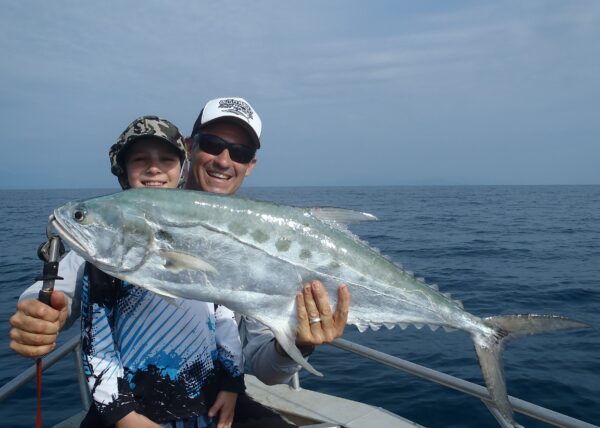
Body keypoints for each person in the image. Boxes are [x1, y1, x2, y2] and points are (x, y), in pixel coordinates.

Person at [10, 98, 350, 423]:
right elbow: (61, 289)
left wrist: (300, 342)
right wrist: (38, 313)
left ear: (251, 164)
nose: (224, 159)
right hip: (128, 408)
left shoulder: (259, 240)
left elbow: (266, 369)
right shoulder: (128, 223)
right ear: (190, 147)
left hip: (217, 400)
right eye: (213, 144)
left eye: (240, 152)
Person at [85, 116, 244, 428]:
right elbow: (96, 341)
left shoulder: (199, 237)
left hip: (205, 406)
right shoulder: (109, 251)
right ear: (123, 170)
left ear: (181, 167)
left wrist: (232, 383)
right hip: (136, 411)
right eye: (140, 159)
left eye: (167, 159)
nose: (154, 168)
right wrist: (123, 416)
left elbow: (222, 314)